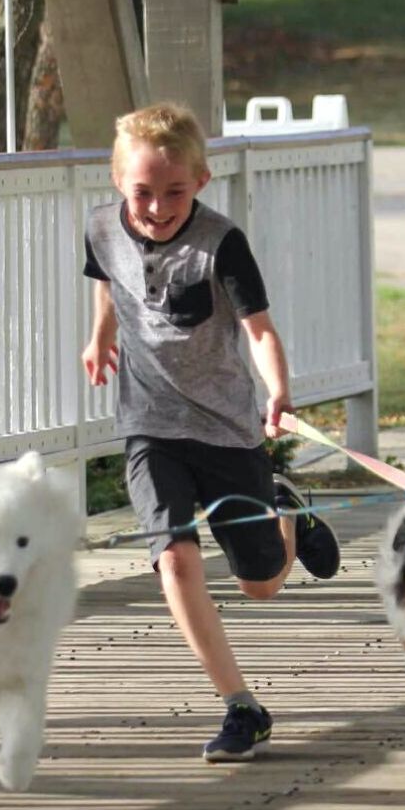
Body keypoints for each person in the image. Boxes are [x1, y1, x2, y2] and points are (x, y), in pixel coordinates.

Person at [82, 101, 342, 763]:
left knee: (261, 583)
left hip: (226, 428)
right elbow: (110, 284)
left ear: (201, 180)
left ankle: (289, 510)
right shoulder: (100, 229)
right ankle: (241, 706)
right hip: (149, 426)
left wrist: (279, 389)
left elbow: (259, 329)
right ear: (118, 181)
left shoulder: (221, 243)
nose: (157, 206)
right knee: (174, 555)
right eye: (142, 191)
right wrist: (100, 337)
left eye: (174, 191)